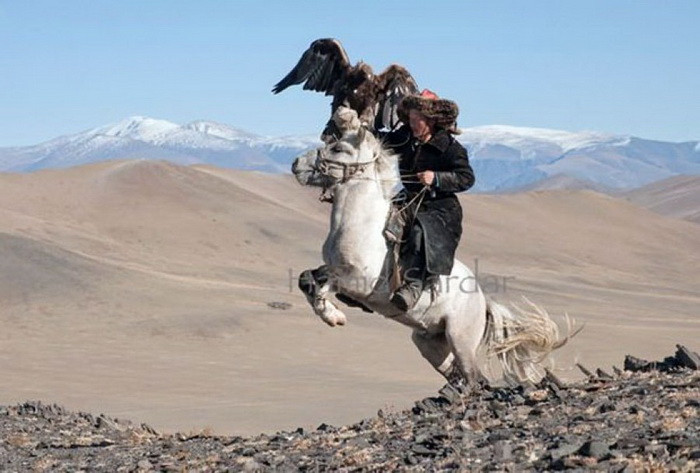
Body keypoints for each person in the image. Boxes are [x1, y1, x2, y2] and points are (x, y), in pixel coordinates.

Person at [383, 89, 475, 311]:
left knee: (418, 233)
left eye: (418, 120)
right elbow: (381, 139)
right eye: (411, 119)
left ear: (431, 121)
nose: (413, 124)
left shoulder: (451, 149)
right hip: (408, 200)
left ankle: (414, 286)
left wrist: (437, 178)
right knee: (381, 223)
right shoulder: (406, 139)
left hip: (440, 208)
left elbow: (466, 178)